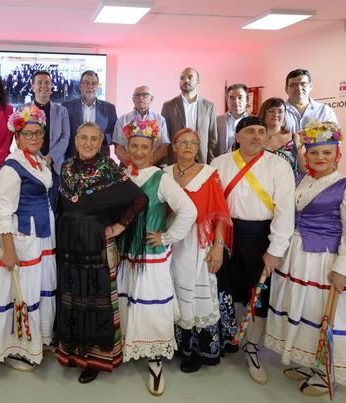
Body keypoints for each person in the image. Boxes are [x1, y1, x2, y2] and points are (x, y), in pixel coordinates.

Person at [265, 121, 346, 396]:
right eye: (314, 153)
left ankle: (327, 370)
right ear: (306, 155)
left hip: (327, 262)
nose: (320, 158)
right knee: (306, 311)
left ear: (337, 155)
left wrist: (342, 268)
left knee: (328, 314)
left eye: (327, 153)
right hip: (299, 258)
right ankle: (309, 361)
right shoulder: (301, 179)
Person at [55, 122, 147, 384]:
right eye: (83, 137)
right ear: (75, 139)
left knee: (95, 300)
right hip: (70, 243)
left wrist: (119, 226)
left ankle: (93, 360)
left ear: (101, 143)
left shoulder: (108, 167)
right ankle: (73, 351)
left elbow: (139, 199)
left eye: (94, 139)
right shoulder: (66, 167)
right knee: (73, 296)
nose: (88, 143)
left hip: (96, 243)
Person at [211, 116, 295, 385]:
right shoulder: (219, 163)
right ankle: (232, 337)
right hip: (227, 234)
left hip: (262, 237)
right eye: (249, 132)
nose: (257, 137)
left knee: (256, 295)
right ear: (237, 136)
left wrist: (275, 249)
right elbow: (213, 206)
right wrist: (216, 241)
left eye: (261, 132)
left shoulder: (279, 165)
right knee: (229, 290)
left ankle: (252, 346)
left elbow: (284, 211)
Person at [117, 119, 197, 395]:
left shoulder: (162, 179)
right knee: (128, 301)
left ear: (153, 149)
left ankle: (155, 359)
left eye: (144, 147)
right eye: (134, 146)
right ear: (126, 148)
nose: (138, 151)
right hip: (126, 253)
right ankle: (128, 347)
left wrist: (167, 237)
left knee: (150, 306)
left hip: (151, 256)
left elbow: (188, 210)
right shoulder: (122, 174)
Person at [0, 105, 56, 371]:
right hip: (22, 236)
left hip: (41, 234)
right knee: (22, 289)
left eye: (38, 133)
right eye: (28, 134)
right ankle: (17, 347)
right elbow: (4, 212)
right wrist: (8, 251)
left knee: (37, 286)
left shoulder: (38, 160)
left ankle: (36, 340)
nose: (34, 138)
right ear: (17, 137)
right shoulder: (11, 167)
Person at [164, 128, 233, 373]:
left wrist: (218, 246)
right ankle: (173, 345)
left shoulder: (208, 174)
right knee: (171, 290)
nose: (188, 146)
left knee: (195, 294)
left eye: (193, 142)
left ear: (199, 146)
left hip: (197, 242)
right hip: (169, 240)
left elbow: (220, 214)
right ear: (173, 145)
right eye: (182, 142)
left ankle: (194, 350)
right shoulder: (164, 174)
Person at [18, 71, 71, 211]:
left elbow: (65, 136)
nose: (43, 86)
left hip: (55, 166)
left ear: (51, 85)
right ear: (32, 86)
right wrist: (38, 158)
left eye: (47, 82)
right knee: (33, 206)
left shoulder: (62, 111)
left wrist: (50, 158)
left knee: (54, 207)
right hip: (31, 164)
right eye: (39, 82)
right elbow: (20, 138)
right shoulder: (22, 110)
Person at [161, 67, 217, 164]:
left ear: (198, 81)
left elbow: (213, 138)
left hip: (201, 160)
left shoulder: (209, 106)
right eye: (182, 78)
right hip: (175, 161)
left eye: (190, 77)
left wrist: (211, 163)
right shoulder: (168, 106)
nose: (186, 80)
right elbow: (165, 138)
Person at [62, 70, 117, 158]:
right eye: (86, 83)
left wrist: (104, 139)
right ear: (80, 86)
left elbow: (114, 132)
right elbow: (63, 133)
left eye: (94, 83)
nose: (90, 86)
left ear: (98, 87)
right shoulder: (66, 107)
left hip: (100, 158)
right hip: (74, 158)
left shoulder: (109, 108)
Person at [112, 85, 170, 165]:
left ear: (152, 99)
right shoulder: (123, 120)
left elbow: (164, 148)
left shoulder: (160, 120)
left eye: (145, 95)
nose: (140, 98)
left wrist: (146, 165)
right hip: (129, 167)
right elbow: (118, 148)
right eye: (137, 95)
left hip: (153, 166)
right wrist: (133, 165)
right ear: (133, 99)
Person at [259, 97, 306, 176]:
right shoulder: (254, 138)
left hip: (289, 186)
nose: (276, 114)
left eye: (280, 111)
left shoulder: (294, 138)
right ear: (264, 113)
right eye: (271, 111)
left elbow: (304, 168)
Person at [283, 69, 338, 133]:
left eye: (303, 84)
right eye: (293, 85)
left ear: (310, 86)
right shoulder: (278, 112)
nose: (298, 88)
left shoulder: (324, 111)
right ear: (286, 89)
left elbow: (333, 138)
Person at [215, 83, 250, 157]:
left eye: (240, 97)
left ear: (247, 100)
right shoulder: (216, 121)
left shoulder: (254, 122)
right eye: (232, 98)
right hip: (222, 163)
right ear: (227, 100)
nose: (236, 101)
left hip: (247, 164)